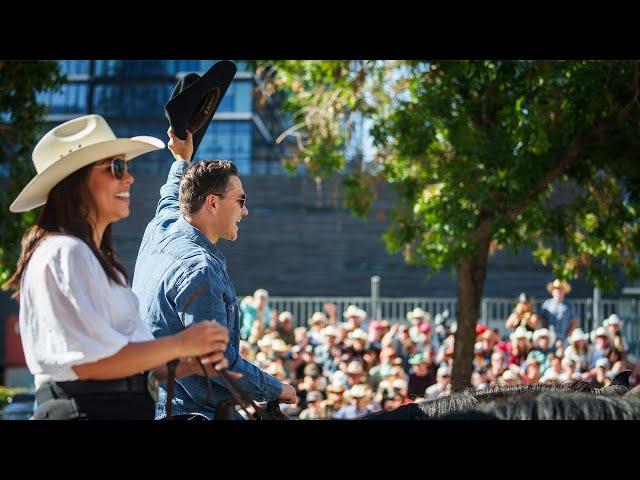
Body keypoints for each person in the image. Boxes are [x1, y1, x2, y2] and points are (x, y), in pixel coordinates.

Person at [2, 115, 232, 420]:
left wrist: (184, 362)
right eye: (116, 168)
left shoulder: (86, 256)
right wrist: (181, 344)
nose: (129, 178)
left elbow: (112, 362)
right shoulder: (64, 252)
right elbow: (89, 364)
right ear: (77, 180)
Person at [131, 128, 296, 419]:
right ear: (212, 203)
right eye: (241, 201)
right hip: (190, 413)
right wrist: (276, 388)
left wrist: (181, 159)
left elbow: (170, 194)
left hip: (150, 406)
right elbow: (215, 362)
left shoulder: (162, 227)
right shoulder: (200, 270)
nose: (245, 212)